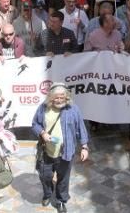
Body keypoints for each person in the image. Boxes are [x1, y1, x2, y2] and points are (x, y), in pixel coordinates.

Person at [32, 83, 89, 212]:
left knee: (63, 179)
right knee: (45, 176)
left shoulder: (73, 109)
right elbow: (35, 124)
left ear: (66, 97)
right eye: (56, 97)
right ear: (51, 97)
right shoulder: (43, 108)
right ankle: (47, 194)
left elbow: (81, 127)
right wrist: (42, 133)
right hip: (46, 151)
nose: (58, 100)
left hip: (66, 152)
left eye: (61, 97)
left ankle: (61, 200)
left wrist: (84, 147)